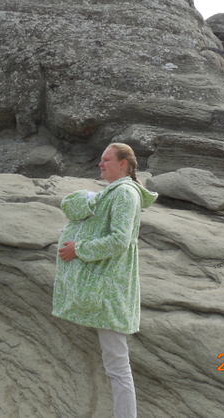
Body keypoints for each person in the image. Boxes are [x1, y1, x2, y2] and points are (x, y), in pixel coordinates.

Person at [52, 143, 157, 418]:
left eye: (106, 159)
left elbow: (120, 240)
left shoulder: (124, 193)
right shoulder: (115, 192)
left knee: (118, 366)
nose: (101, 164)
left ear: (123, 164)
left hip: (110, 289)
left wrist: (79, 249)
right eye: (100, 159)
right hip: (106, 286)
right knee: (115, 364)